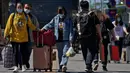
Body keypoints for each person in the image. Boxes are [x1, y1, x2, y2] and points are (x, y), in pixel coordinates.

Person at [4, 2, 38, 72]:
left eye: (20, 7)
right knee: (15, 52)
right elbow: (8, 26)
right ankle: (16, 67)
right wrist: (5, 34)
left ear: (22, 8)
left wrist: (36, 29)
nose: (19, 8)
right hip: (14, 38)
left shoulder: (25, 16)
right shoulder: (12, 16)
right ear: (16, 8)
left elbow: (30, 24)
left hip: (23, 38)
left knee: (22, 52)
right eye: (18, 7)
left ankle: (23, 65)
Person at [41, 6, 73, 72]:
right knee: (60, 54)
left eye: (61, 11)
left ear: (64, 11)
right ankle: (61, 67)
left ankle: (63, 64)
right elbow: (50, 24)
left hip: (66, 39)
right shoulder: (56, 18)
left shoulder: (68, 19)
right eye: (59, 11)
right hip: (58, 38)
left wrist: (71, 38)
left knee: (65, 53)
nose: (60, 13)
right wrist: (44, 28)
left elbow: (71, 30)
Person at [73, 1, 102, 73]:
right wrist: (100, 35)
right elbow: (97, 25)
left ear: (81, 6)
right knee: (92, 50)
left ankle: (89, 67)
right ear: (88, 6)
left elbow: (74, 27)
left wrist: (74, 37)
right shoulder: (92, 14)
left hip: (81, 36)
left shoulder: (77, 15)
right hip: (91, 35)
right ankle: (88, 65)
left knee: (84, 50)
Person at [24, 3, 39, 69]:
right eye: (26, 7)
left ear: (30, 9)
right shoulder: (19, 16)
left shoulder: (33, 17)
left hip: (29, 37)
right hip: (20, 37)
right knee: (20, 51)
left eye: (28, 8)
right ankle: (21, 63)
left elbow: (37, 26)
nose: (27, 9)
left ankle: (26, 61)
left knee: (28, 51)